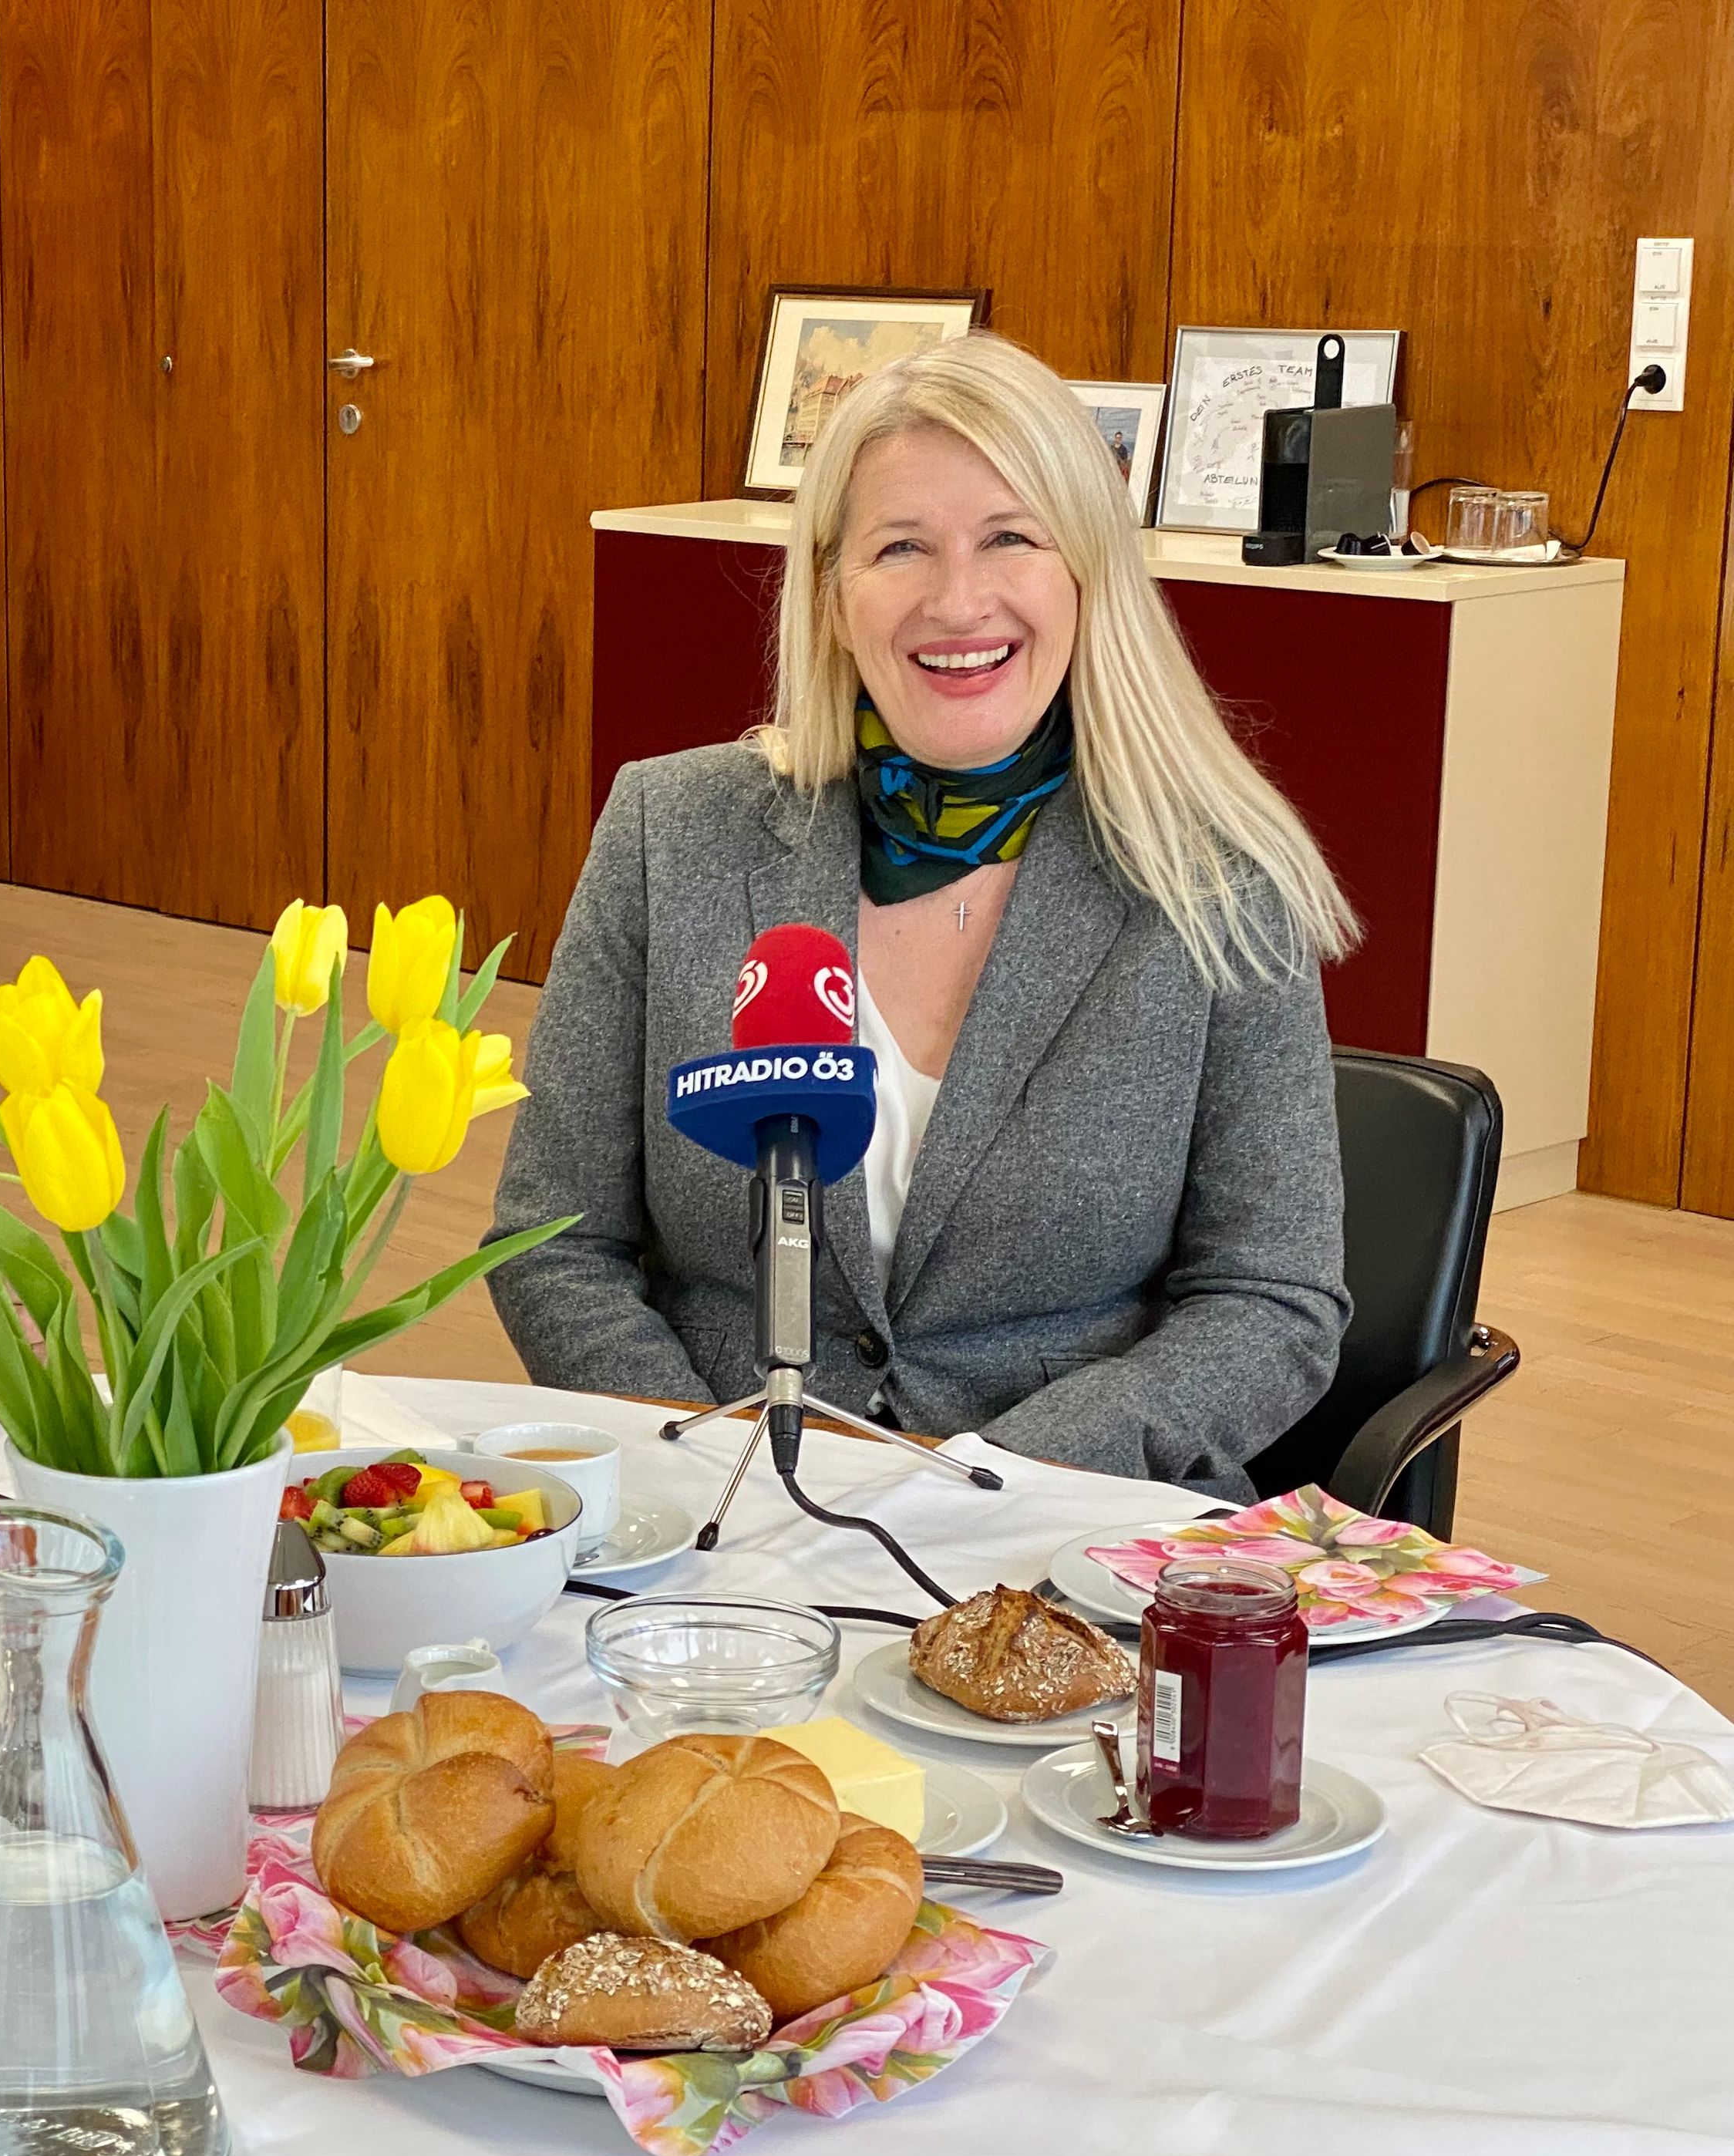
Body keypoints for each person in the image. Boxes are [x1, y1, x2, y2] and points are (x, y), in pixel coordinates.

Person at [489, 330, 1355, 1494]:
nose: (958, 601)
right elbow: (555, 1244)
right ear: (835, 595)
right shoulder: (670, 828)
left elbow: (1272, 1300)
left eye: (1010, 538)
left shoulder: (1221, 881)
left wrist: (979, 1482)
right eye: (902, 547)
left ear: (1088, 576)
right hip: (715, 1530)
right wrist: (710, 1474)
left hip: (1066, 1541)